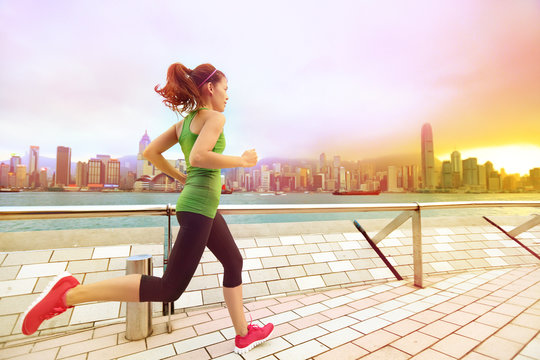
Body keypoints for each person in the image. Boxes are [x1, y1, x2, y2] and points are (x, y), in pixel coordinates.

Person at [21, 63, 274, 354]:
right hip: (200, 207)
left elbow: (150, 152)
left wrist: (181, 176)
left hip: (201, 205)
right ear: (211, 88)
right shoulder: (215, 118)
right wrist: (241, 161)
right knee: (169, 288)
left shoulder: (184, 124)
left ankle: (243, 334)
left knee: (233, 262)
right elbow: (200, 156)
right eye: (226, 89)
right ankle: (68, 295)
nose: (228, 96)